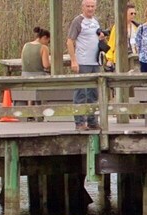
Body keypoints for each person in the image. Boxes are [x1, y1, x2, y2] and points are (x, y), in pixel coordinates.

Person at [64, 0, 102, 130]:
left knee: (93, 94)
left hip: (95, 62)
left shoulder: (96, 21)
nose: (90, 9)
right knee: (81, 92)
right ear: (83, 7)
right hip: (83, 61)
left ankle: (92, 121)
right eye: (88, 6)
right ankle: (79, 122)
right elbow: (70, 41)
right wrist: (73, 60)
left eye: (92, 6)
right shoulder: (78, 21)